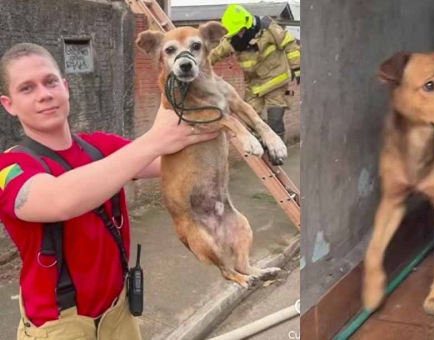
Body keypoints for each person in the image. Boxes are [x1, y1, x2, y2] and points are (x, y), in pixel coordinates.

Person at [0, 42, 219, 339]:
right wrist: (154, 140)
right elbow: (58, 201)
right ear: (8, 104)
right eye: (27, 88)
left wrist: (211, 114)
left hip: (119, 312)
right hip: (58, 325)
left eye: (50, 81)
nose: (44, 94)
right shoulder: (10, 166)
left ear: (65, 87)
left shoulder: (98, 146)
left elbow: (166, 162)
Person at [209, 4, 301, 143]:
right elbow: (214, 55)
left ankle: (277, 151)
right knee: (250, 118)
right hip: (254, 87)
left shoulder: (268, 28)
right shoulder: (232, 41)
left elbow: (289, 44)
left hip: (276, 82)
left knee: (275, 120)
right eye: (235, 33)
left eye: (240, 31)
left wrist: (298, 68)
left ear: (248, 24)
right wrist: (198, 66)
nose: (239, 35)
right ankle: (262, 143)